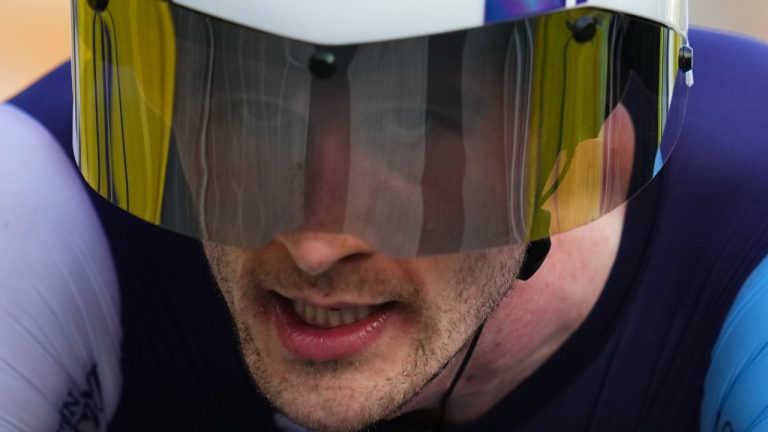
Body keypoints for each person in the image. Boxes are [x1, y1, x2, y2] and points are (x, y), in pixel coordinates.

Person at [1, 0, 768, 430]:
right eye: (253, 111)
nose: (312, 246)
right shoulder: (33, 199)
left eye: (409, 125)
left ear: (572, 126)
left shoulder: (749, 234)